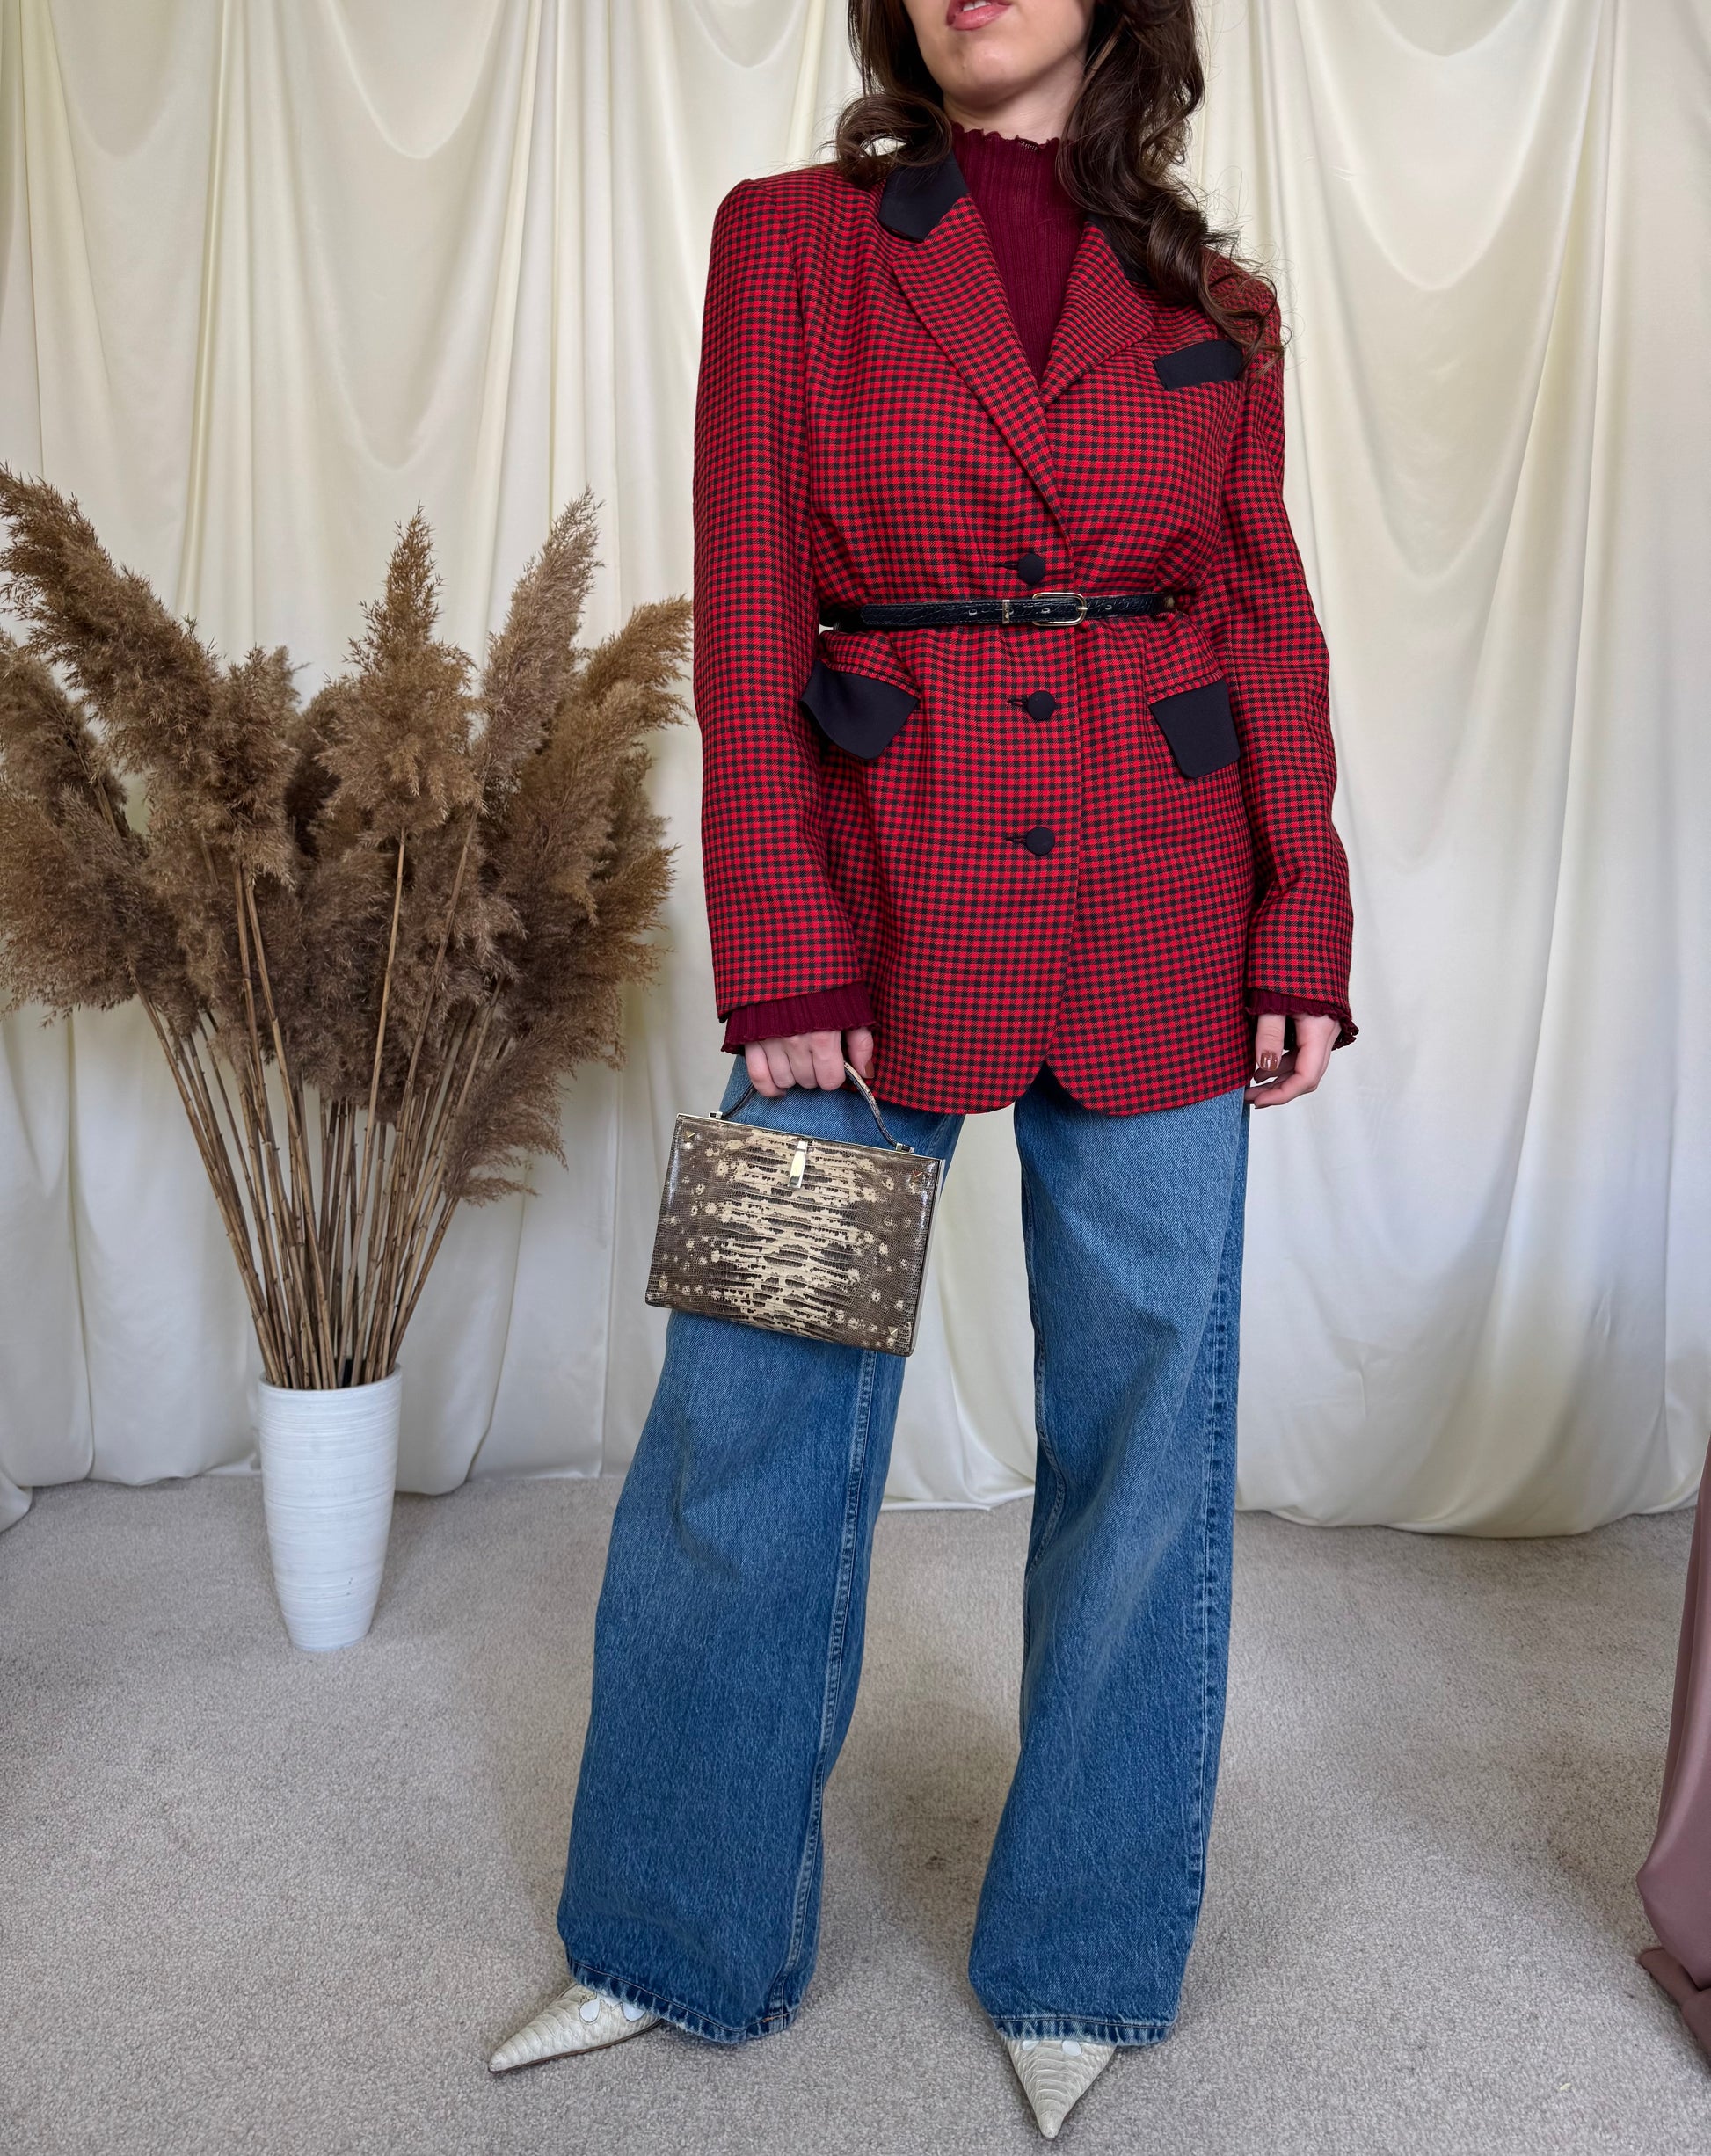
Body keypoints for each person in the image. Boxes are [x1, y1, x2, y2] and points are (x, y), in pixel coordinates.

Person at [490, 0, 1355, 2137]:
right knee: (747, 1406)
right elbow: (753, 605)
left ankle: (1083, 1948)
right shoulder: (789, 239)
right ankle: (669, 1927)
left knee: (1148, 1432)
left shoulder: (1217, 298)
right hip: (871, 906)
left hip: (1166, 895)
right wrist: (776, 938)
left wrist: (1303, 918)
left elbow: (1262, 614)